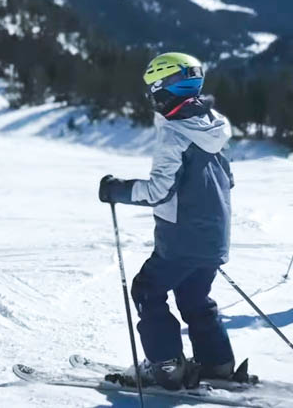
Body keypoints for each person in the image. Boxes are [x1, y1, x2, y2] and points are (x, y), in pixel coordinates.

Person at [98, 52, 237, 390]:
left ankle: (166, 366)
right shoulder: (212, 125)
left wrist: (118, 190)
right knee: (194, 298)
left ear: (165, 88)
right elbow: (227, 179)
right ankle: (217, 363)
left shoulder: (175, 133)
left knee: (147, 289)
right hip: (215, 237)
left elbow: (160, 190)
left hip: (181, 239)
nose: (152, 96)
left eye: (153, 88)